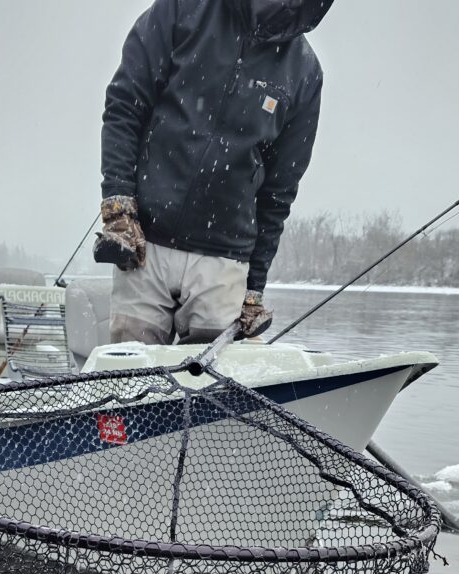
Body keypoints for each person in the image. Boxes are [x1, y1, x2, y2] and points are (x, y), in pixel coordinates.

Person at [95, 0, 334, 344]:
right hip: (144, 245)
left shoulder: (306, 72)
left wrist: (254, 288)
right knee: (132, 384)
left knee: (215, 393)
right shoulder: (182, 8)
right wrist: (117, 207)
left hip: (224, 265)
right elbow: (124, 106)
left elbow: (280, 191)